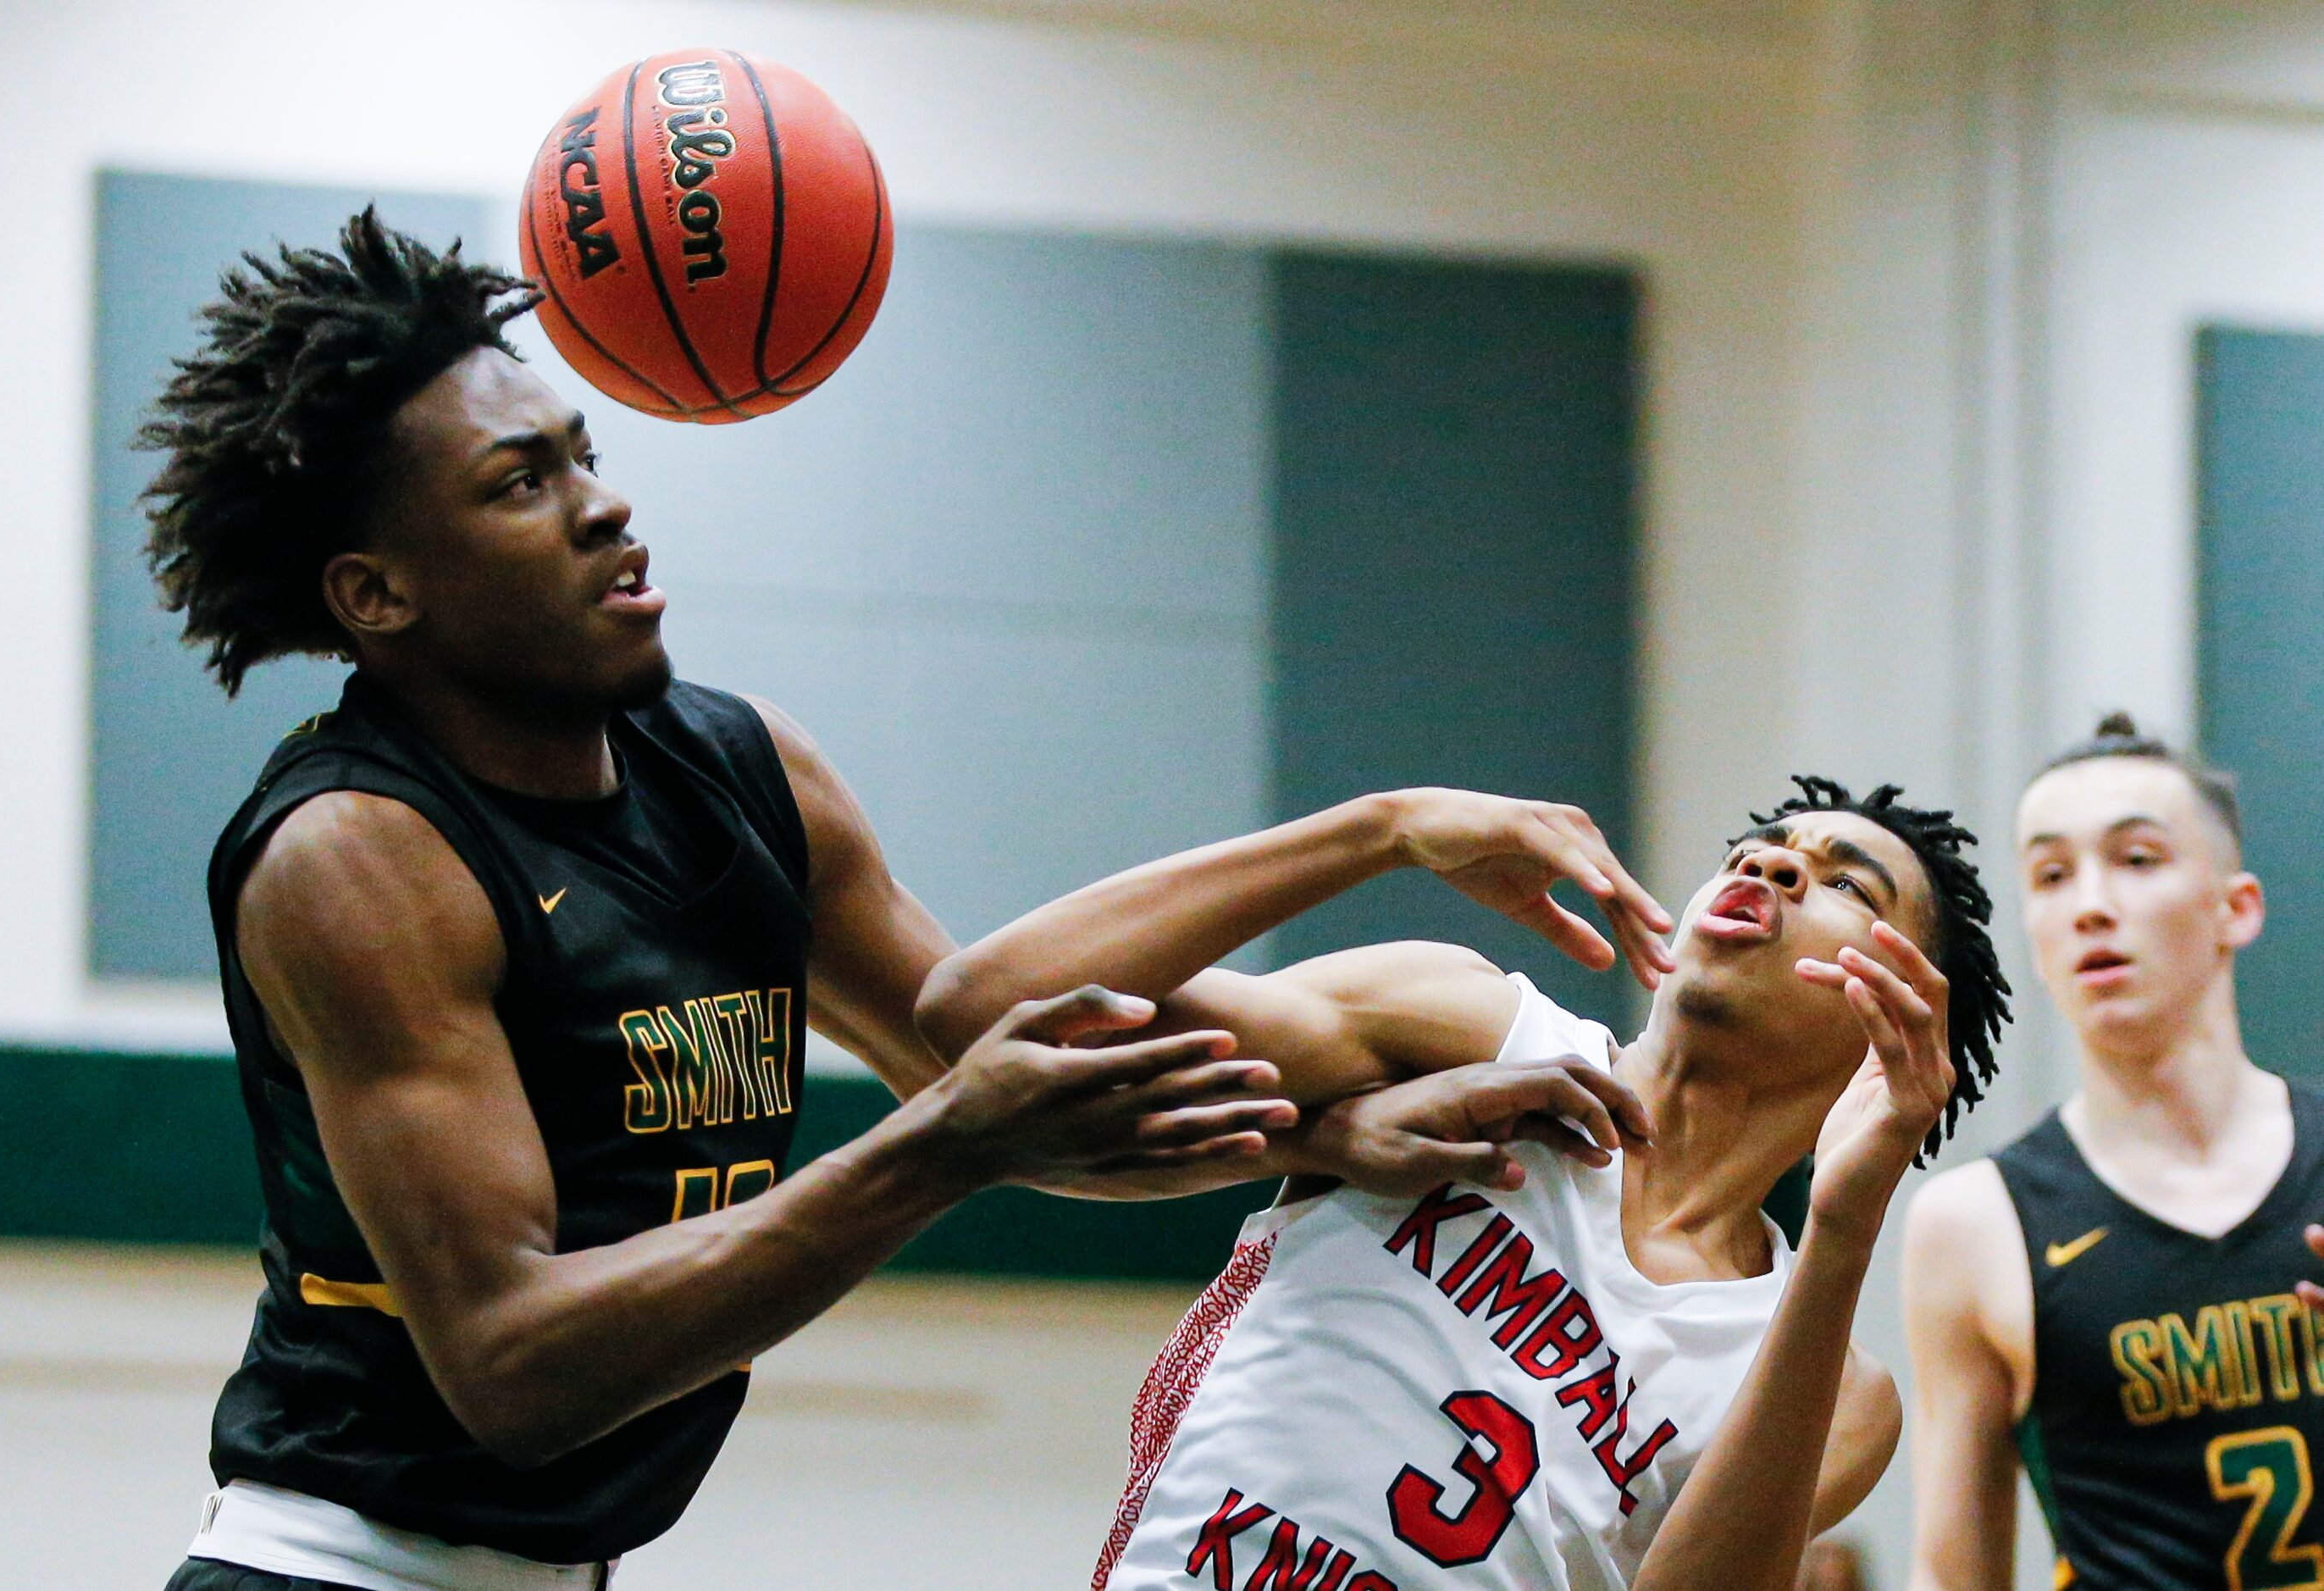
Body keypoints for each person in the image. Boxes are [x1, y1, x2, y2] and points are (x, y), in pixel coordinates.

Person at [139, 209, 1685, 1591]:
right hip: (334, 1567)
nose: (603, 506)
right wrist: (942, 1148)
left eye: (587, 454)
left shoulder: (744, 770)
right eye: (519, 482)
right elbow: (514, 1365)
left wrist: (1316, 1135)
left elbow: (990, 1067)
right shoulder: (358, 857)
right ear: (375, 595)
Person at [917, 774, 2011, 1588]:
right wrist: (1382, 828)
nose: (1774, 866)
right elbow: (988, 1004)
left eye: (1841, 882)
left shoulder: (1839, 1388)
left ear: (1904, 1023)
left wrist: (1843, 1229)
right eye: (1767, 845)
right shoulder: (1481, 1029)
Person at [1904, 714, 2323, 1591]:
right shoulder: (1972, 1223)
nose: (2091, 904)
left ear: (2236, 908)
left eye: (2137, 860)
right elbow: (1953, 1578)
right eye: (2052, 875)